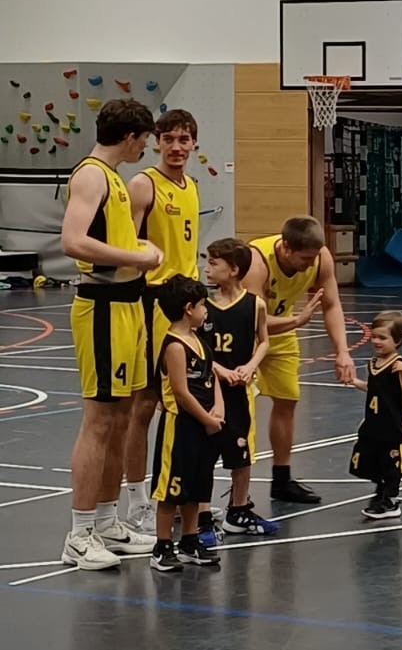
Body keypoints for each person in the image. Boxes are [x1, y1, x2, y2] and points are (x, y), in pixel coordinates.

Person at [60, 98, 160, 570]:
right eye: (145, 140)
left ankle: (106, 523)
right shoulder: (91, 175)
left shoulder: (115, 179)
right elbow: (73, 241)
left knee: (121, 418)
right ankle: (79, 535)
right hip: (101, 308)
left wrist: (137, 247)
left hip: (127, 306)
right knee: (99, 420)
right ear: (130, 137)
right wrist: (138, 257)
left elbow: (107, 241)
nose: (145, 148)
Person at [123, 109, 200, 533]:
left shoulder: (192, 186)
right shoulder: (143, 184)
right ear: (156, 142)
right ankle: (137, 501)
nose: (176, 147)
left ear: (194, 144)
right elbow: (129, 246)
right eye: (168, 139)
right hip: (155, 302)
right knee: (147, 404)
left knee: (185, 402)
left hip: (189, 303)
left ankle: (184, 496)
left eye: (183, 139)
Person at [243, 216, 357, 503]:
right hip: (246, 337)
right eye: (305, 258)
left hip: (281, 333)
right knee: (241, 412)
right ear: (285, 247)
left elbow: (332, 305)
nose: (310, 264)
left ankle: (282, 480)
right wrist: (297, 321)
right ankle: (238, 492)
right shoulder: (257, 262)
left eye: (314, 257)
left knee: (287, 400)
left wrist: (342, 351)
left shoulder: (321, 258)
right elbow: (251, 321)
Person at [200, 238, 279, 538]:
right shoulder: (202, 306)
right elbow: (196, 347)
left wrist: (251, 366)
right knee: (204, 455)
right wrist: (219, 369)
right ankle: (202, 517)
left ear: (233, 270)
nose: (206, 269)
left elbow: (264, 341)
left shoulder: (254, 304)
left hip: (239, 390)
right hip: (209, 390)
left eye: (213, 263)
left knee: (241, 451)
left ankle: (239, 510)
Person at [149, 274, 223, 572]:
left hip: (203, 426)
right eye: (203, 304)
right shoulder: (175, 347)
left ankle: (190, 541)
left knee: (196, 487)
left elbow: (211, 377)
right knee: (172, 491)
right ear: (189, 308)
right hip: (179, 427)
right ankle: (162, 546)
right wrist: (206, 419)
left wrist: (218, 408)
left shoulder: (199, 342)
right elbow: (180, 392)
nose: (206, 310)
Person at [349, 311, 402, 519]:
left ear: (398, 341)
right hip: (374, 424)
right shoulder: (373, 363)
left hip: (393, 427)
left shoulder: (398, 365)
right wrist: (354, 382)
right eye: (374, 336)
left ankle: (391, 501)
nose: (376, 341)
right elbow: (374, 389)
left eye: (383, 338)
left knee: (391, 465)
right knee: (372, 461)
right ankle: (381, 491)